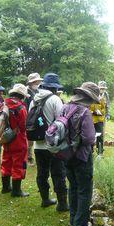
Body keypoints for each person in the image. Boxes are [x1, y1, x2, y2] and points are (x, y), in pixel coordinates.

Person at [63, 82, 99, 226]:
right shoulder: (84, 112)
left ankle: (73, 220)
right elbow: (89, 138)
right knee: (84, 191)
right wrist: (95, 140)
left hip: (66, 154)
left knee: (73, 187)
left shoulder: (65, 107)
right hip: (82, 157)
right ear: (88, 98)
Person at [30, 73, 68, 211]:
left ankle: (45, 199)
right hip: (53, 145)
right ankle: (62, 204)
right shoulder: (54, 99)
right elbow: (61, 122)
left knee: (42, 173)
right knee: (58, 173)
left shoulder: (34, 100)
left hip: (38, 144)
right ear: (54, 88)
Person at [1, 84, 30, 197]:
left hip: (6, 138)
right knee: (19, 164)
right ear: (21, 96)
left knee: (6, 161)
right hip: (19, 140)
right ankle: (16, 191)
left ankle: (5, 187)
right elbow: (23, 126)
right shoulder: (21, 108)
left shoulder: (4, 105)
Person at [25, 73, 43, 166]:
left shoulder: (37, 91)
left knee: (35, 138)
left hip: (36, 117)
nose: (38, 83)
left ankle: (32, 157)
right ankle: (29, 158)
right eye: (36, 82)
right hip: (28, 118)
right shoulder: (26, 93)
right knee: (29, 140)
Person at [90, 81, 110, 155]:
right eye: (101, 88)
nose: (102, 90)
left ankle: (100, 152)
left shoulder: (105, 95)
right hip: (92, 118)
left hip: (101, 118)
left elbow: (107, 105)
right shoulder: (93, 94)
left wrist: (108, 114)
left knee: (100, 135)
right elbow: (89, 106)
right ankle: (91, 151)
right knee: (91, 134)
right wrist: (93, 112)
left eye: (103, 88)